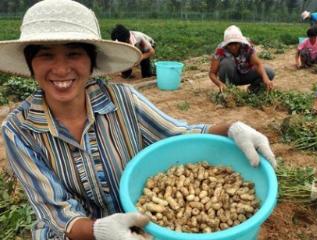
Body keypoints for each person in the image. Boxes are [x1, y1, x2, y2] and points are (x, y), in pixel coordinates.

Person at [1, 1, 277, 239]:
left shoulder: (122, 99)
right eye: (46, 55)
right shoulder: (18, 130)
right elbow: (55, 212)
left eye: (74, 54)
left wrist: (231, 128)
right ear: (30, 63)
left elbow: (178, 133)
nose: (61, 69)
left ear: (91, 61)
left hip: (141, 225)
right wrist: (99, 231)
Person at [209, 25, 274, 94]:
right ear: (226, 44)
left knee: (269, 72)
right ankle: (228, 90)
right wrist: (220, 84)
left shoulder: (247, 46)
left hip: (246, 74)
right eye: (230, 44)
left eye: (236, 44)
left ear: (240, 42)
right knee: (226, 63)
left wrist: (266, 79)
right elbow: (212, 73)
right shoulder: (220, 50)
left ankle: (254, 89)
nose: (233, 47)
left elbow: (257, 64)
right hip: (231, 77)